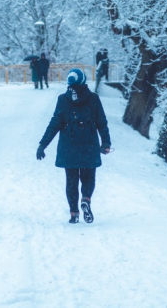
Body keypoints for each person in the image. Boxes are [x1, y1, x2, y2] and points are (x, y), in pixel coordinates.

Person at [36, 68, 111, 224]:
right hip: (89, 145)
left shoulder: (63, 100)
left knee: (71, 180)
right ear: (84, 81)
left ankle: (74, 213)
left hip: (68, 147)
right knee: (88, 178)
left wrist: (43, 145)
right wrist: (105, 143)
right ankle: (86, 198)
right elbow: (102, 123)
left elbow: (54, 124)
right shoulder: (94, 99)